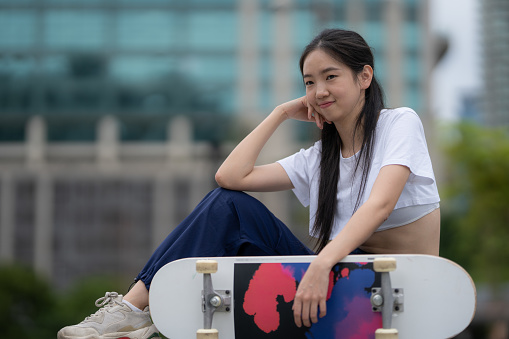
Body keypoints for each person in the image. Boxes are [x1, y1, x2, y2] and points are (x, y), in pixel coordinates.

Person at [57, 28, 440, 339]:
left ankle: (135, 312)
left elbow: (380, 204)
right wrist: (280, 113)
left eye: (331, 77)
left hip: (386, 289)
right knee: (227, 204)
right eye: (309, 82)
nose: (319, 91)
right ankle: (132, 311)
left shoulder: (398, 123)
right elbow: (230, 177)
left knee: (228, 206)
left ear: (365, 77)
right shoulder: (318, 159)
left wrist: (321, 265)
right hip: (332, 283)